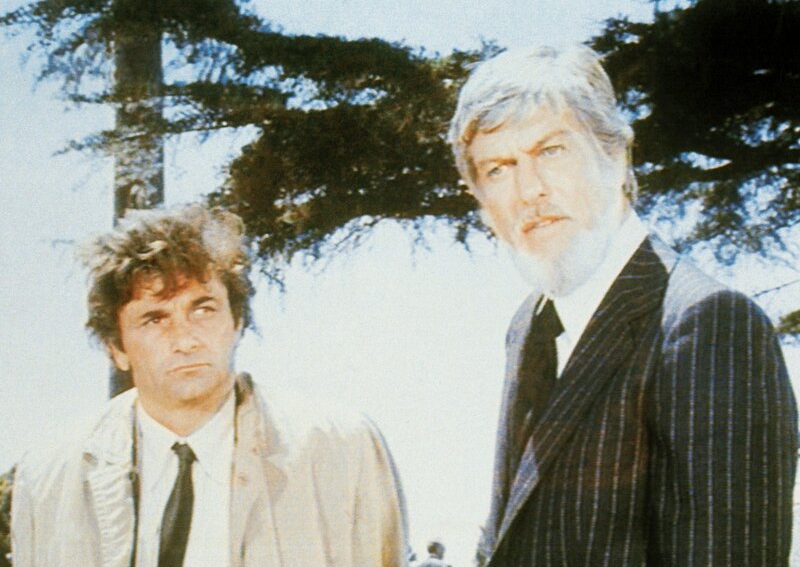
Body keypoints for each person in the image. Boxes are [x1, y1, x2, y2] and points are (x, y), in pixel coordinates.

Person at [448, 44, 798, 565]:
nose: (528, 190)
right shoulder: (530, 324)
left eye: (551, 151)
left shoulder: (707, 323)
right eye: (498, 169)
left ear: (614, 156)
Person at [10, 204, 408, 567]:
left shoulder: (340, 446)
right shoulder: (50, 474)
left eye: (202, 309)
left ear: (236, 322)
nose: (185, 340)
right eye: (155, 319)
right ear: (116, 348)